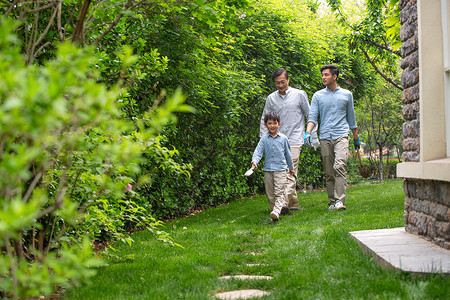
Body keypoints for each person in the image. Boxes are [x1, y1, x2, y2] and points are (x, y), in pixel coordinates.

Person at [260, 68, 318, 211]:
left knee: (289, 172)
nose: (280, 85)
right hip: (276, 140)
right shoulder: (271, 98)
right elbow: (264, 119)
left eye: (282, 82)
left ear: (288, 80)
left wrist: (310, 134)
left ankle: (281, 206)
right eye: (277, 83)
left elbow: (310, 115)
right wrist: (263, 140)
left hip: (295, 139)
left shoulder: (299, 95)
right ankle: (293, 204)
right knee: (279, 173)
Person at [304, 64, 361, 211]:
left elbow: (351, 117)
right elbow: (312, 116)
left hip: (341, 134)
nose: (323, 77)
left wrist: (355, 137)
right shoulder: (318, 96)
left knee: (340, 165)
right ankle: (332, 202)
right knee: (329, 171)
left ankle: (340, 201)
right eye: (322, 75)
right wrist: (307, 132)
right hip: (324, 136)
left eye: (326, 75)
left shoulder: (347, 95)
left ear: (334, 77)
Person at [252, 112, 295, 221]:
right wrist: (255, 161)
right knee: (270, 194)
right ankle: (275, 211)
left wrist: (291, 168)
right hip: (268, 171)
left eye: (274, 123)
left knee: (279, 192)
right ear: (265, 125)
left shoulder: (283, 138)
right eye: (269, 123)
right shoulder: (264, 139)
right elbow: (258, 151)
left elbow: (288, 154)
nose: (272, 125)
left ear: (279, 124)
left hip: (280, 170)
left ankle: (276, 211)